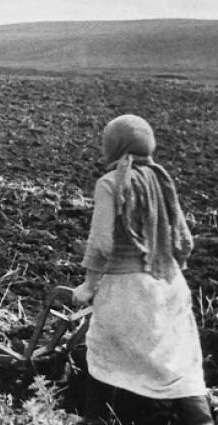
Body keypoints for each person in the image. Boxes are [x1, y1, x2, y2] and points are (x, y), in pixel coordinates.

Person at [73, 114, 214, 425]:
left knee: (101, 350)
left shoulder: (109, 184)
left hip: (128, 289)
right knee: (176, 361)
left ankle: (94, 418)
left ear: (114, 147)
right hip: (170, 284)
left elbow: (101, 244)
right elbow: (183, 238)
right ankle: (201, 420)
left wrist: (89, 284)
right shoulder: (162, 181)